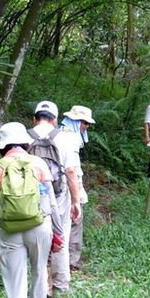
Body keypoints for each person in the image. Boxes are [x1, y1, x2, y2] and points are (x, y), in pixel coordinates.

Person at [0, 121, 63, 298]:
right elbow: (52, 204)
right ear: (25, 143)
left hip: (8, 230)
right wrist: (58, 232)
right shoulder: (38, 163)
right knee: (39, 271)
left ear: (3, 145)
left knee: (14, 280)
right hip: (40, 226)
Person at [27, 101, 83, 298]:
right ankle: (60, 284)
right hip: (59, 194)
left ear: (34, 118)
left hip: (30, 197)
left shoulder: (25, 136)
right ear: (55, 120)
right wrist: (76, 201)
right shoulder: (66, 138)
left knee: (37, 239)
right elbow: (70, 171)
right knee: (61, 236)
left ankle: (42, 286)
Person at [61, 105, 94, 272]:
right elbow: (72, 169)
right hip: (69, 184)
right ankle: (71, 260)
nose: (86, 127)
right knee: (75, 220)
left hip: (57, 186)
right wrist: (77, 193)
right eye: (85, 123)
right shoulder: (71, 138)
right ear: (77, 121)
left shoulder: (58, 133)